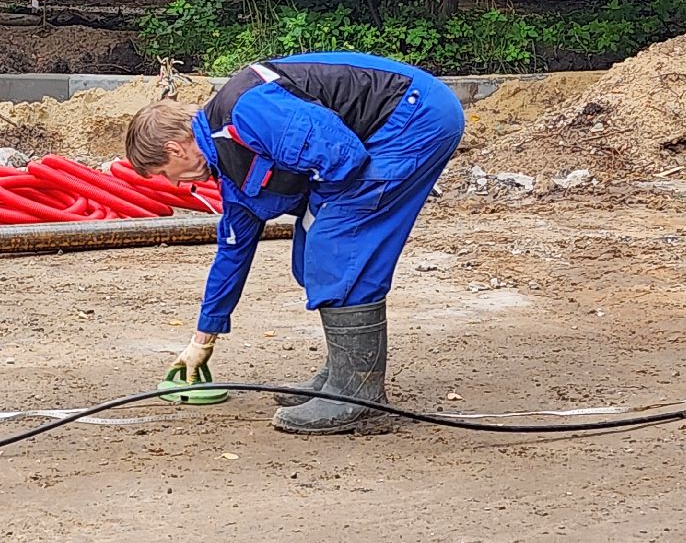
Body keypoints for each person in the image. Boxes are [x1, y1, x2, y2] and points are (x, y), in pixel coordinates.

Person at [124, 52, 465, 434]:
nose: (175, 185)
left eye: (165, 174)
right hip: (398, 123)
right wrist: (203, 339)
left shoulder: (247, 112)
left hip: (413, 117)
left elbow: (343, 157)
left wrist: (321, 218)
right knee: (309, 260)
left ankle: (358, 393)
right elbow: (233, 250)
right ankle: (345, 372)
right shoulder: (226, 159)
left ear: (174, 149)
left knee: (334, 249)